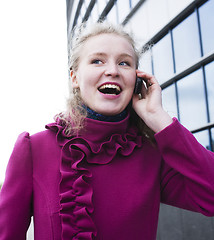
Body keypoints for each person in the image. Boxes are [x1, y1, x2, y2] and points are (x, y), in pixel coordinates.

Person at [0, 21, 214, 240]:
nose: (112, 71)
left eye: (124, 63)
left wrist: (159, 118)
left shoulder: (152, 155)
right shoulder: (34, 149)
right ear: (74, 78)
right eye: (97, 61)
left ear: (136, 79)